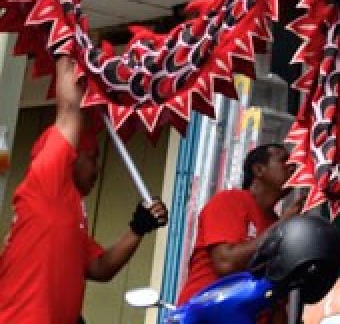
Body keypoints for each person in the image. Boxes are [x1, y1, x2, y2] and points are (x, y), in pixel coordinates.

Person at [0, 55, 169, 324]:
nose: (98, 168)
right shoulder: (47, 180)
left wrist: (138, 227)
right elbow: (69, 111)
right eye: (92, 157)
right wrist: (66, 37)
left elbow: (100, 268)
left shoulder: (71, 208)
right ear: (71, 156)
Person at [178, 141, 303, 303]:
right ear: (259, 169)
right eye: (284, 160)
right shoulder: (229, 200)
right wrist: (282, 226)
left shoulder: (276, 222)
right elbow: (225, 263)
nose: (292, 167)